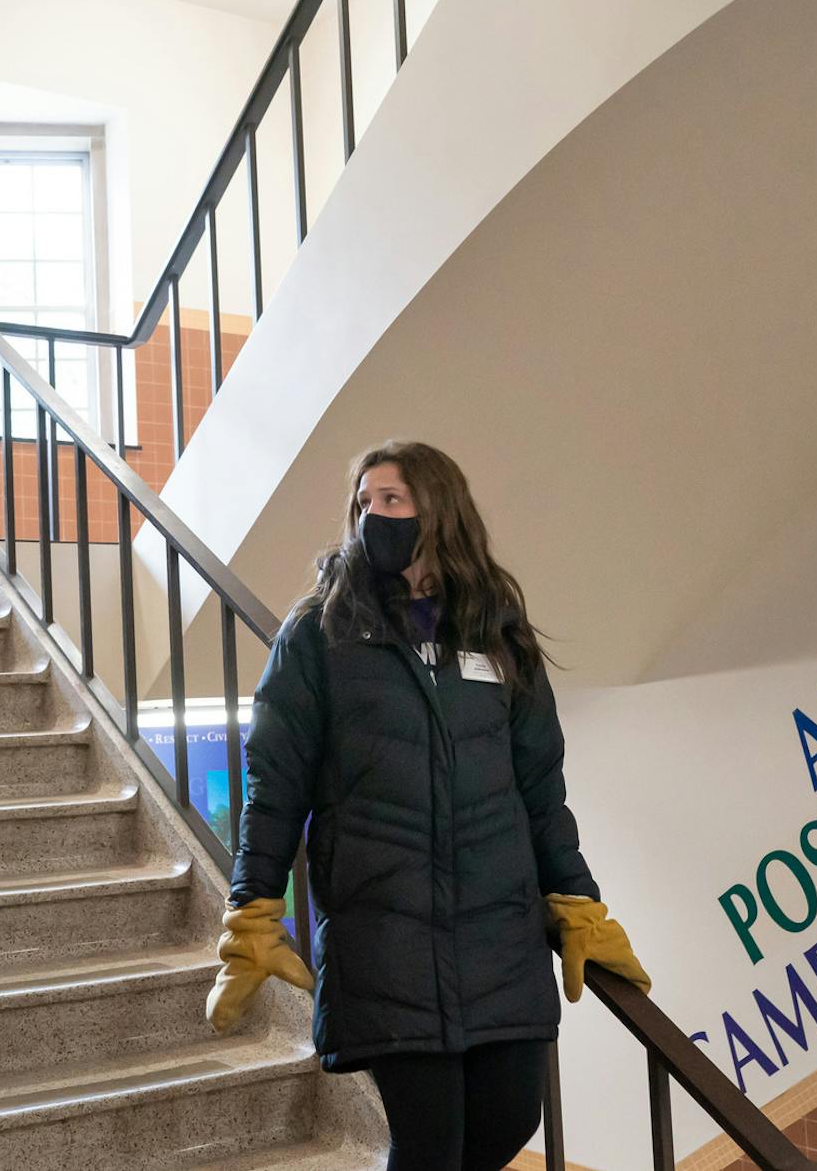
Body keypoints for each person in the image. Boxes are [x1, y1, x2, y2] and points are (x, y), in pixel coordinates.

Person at [206, 441, 652, 1171]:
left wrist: (576, 899)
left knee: (510, 1120)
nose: (371, 514)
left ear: (439, 509)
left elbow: (540, 785)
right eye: (364, 501)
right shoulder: (319, 633)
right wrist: (255, 905)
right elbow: (275, 782)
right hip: (386, 938)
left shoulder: (495, 632)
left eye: (392, 500)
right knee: (430, 1144)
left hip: (499, 935)